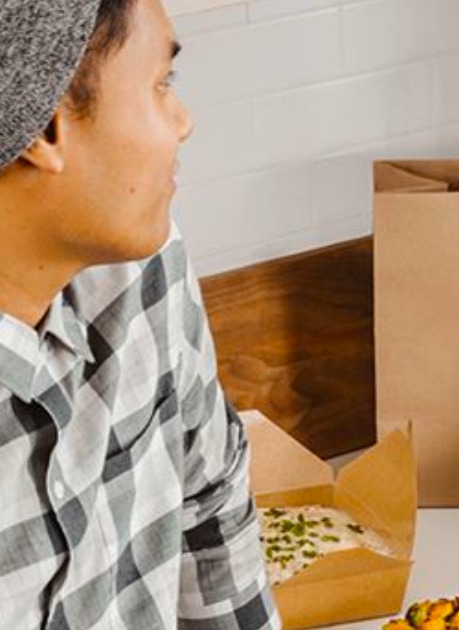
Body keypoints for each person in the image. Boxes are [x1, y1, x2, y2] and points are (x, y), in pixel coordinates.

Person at [0, 0, 278, 627]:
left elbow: (210, 510)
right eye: (161, 85)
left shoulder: (137, 261)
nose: (183, 123)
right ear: (46, 129)